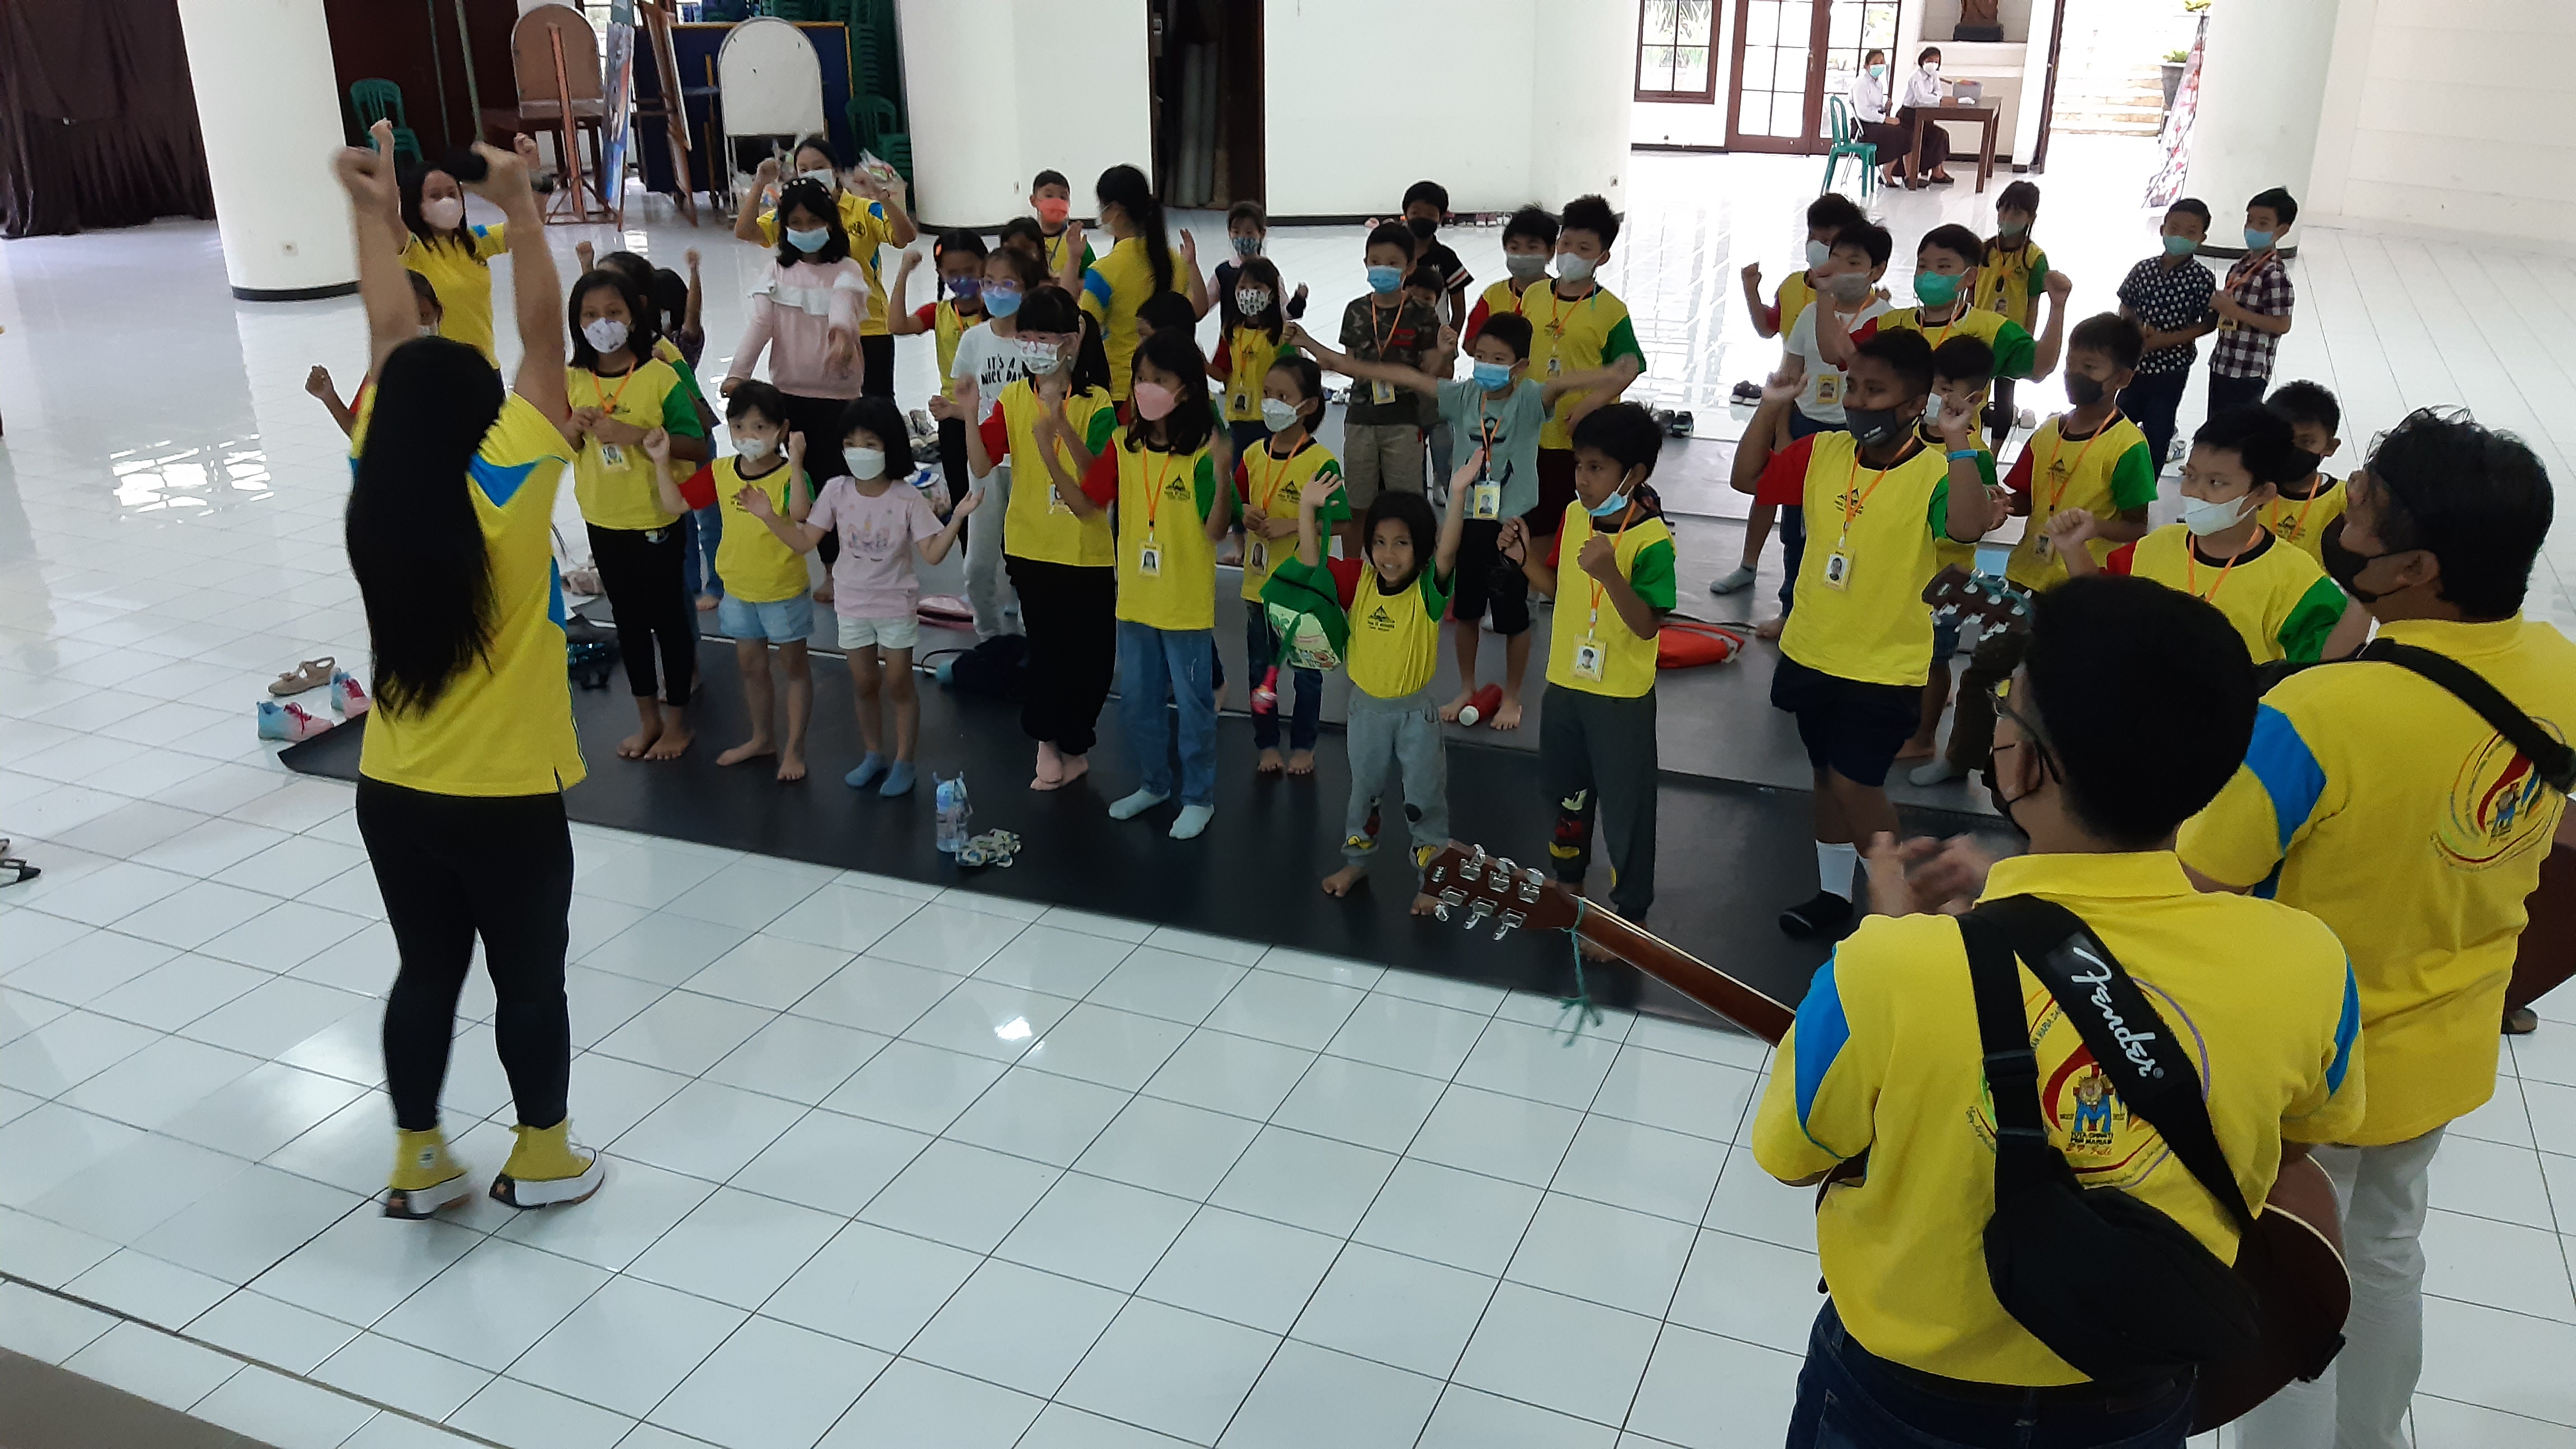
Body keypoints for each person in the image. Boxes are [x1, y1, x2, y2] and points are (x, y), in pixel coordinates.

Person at [1755, 574, 2364, 1449]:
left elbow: (1792, 1151)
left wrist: (1891, 944)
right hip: (2134, 1390)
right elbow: (2298, 1142)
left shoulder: (1890, 967)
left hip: (1905, 1397)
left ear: (2024, 763)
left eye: (2009, 713)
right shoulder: (2311, 961)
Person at [2181, 408, 2575, 1449]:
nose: (2339, 517)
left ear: (2414, 570)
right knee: (2387, 1250)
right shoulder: (2557, 668)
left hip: (2317, 1061)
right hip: (2450, 1035)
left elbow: (2199, 879)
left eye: (2362, 512)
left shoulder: (2321, 714)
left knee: (2288, 1284)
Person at [333, 123, 606, 1216]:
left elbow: (388, 335)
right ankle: (541, 1157)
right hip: (506, 796)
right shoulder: (510, 482)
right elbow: (541, 336)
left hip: (391, 788)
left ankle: (419, 1159)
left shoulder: (377, 473)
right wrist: (524, 210)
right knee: (528, 981)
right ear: (482, 414)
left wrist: (370, 214)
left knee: (426, 972)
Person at [1735, 329, 2004, 940]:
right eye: (1853, 386)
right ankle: (1834, 895)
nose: (1857, 401)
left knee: (1857, 783)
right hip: (1812, 649)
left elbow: (1967, 529)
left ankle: (1899, 904)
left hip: (1883, 666)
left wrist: (1959, 441)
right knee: (1825, 776)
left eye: (1875, 391)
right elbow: (1748, 478)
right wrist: (1771, 405)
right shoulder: (1823, 451)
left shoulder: (1936, 472)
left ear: (1914, 404)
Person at [1293, 312, 1630, 733]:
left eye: (1498, 359)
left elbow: (1563, 384)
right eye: (1481, 356)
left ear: (1520, 366)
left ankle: (1512, 696)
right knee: (1466, 612)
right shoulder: (1463, 396)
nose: (1486, 365)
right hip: (1466, 521)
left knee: (1514, 617)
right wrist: (1318, 350)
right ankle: (1467, 687)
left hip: (1511, 526)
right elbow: (1396, 374)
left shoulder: (1529, 399)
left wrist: (1612, 373)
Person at [1920, 312, 2156, 788]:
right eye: (2071, 363)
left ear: (2122, 379)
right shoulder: (2048, 432)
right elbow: (2025, 495)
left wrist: (2092, 527)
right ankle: (1960, 758)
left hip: (2082, 589)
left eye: (2089, 367)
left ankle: (2052, 782)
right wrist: (2002, 502)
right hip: (2024, 578)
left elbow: (2137, 525)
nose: (2073, 374)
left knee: (2058, 690)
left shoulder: (2128, 446)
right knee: (1984, 673)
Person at [1500, 402, 1677, 938]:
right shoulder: (1576, 516)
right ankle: (1568, 885)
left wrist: (1611, 575)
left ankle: (1631, 915)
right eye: (1579, 466)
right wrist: (1524, 560)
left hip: (1620, 697)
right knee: (1565, 794)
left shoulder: (1653, 541)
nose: (1582, 478)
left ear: (1634, 474)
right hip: (1564, 685)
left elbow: (1646, 626)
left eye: (1596, 468)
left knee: (1626, 808)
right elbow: (1559, 589)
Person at [750, 396, 974, 798]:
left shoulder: (906, 497)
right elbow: (804, 540)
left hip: (895, 604)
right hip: (851, 604)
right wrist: (769, 516)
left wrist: (958, 516)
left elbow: (932, 553)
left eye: (870, 444)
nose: (859, 452)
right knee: (864, 683)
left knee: (899, 683)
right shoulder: (836, 490)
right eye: (850, 443)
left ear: (890, 447)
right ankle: (874, 754)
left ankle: (904, 761)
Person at [1072, 329, 1236, 840]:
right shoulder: (1125, 444)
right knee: (1139, 703)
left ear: (1185, 388)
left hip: (1185, 605)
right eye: (1140, 378)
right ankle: (1154, 783)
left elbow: (1216, 531)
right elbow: (1090, 499)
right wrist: (1054, 437)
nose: (1145, 389)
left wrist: (1224, 474)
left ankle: (1199, 796)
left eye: (1159, 380)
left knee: (1194, 707)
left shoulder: (1203, 452)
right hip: (1135, 601)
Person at [2053, 404, 2365, 666]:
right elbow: (2104, 604)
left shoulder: (2295, 578)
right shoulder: (2152, 548)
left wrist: (2365, 592)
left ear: (2262, 494)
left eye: (2216, 483)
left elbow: (2328, 661)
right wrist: (2073, 548)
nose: (2194, 492)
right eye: (2190, 476)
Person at [963, 285, 1120, 789]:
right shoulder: (1013, 398)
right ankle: (1046, 741)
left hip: (1085, 551)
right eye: (1025, 336)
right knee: (1049, 652)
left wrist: (1060, 430)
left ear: (1071, 341)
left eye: (1044, 337)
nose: (1032, 346)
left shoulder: (1097, 403)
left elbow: (1099, 481)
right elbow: (982, 464)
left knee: (1093, 658)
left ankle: (1074, 743)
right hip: (1030, 547)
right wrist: (968, 413)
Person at [567, 267, 710, 761]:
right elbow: (561, 448)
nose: (601, 323)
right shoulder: (573, 379)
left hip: (656, 517)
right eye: (590, 315)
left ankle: (678, 723)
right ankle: (648, 719)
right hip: (603, 517)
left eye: (613, 312)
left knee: (668, 620)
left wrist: (637, 436)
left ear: (634, 316)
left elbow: (697, 444)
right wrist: (572, 428)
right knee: (626, 621)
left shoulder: (659, 376)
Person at [1318, 460, 1475, 906]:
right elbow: (1312, 562)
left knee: (1424, 798)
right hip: (1364, 711)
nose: (1388, 554)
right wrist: (1310, 510)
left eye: (1402, 544)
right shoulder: (1361, 580)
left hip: (1415, 716)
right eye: (1380, 542)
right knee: (1363, 793)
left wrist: (1458, 493)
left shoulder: (1428, 589)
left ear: (1420, 549)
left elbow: (1448, 552)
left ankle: (1434, 877)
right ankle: (1356, 861)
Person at [1738, 221, 1894, 637]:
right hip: (1806, 427)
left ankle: (1847, 615)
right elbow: (1789, 374)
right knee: (1796, 530)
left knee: (1849, 525)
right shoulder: (1809, 314)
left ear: (1877, 270)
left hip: (1855, 432)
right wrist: (1783, 434)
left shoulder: (1888, 321)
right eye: (1835, 258)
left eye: (1853, 262)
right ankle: (1792, 609)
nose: (1839, 268)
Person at [661, 382, 815, 784]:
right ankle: (762, 738)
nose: (748, 436)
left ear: (782, 430)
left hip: (782, 589)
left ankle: (795, 748)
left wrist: (797, 463)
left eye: (760, 427)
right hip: (739, 590)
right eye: (739, 427)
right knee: (751, 668)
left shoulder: (789, 475)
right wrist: (661, 461)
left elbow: (802, 514)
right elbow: (676, 504)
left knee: (794, 668)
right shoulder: (721, 471)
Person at [723, 178, 868, 603]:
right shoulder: (776, 270)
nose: (805, 230)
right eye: (796, 223)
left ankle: (839, 567)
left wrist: (841, 335)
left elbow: (843, 309)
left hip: (837, 395)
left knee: (834, 482)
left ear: (830, 223)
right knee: (800, 482)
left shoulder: (846, 269)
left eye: (814, 221)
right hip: (788, 393)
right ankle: (809, 556)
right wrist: (737, 374)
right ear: (784, 226)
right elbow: (761, 325)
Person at [1235, 354, 1351, 775]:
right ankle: (1266, 744)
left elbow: (1341, 520)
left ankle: (1304, 745)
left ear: (1309, 405)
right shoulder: (1252, 454)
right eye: (1267, 394)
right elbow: (1236, 500)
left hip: (1302, 591)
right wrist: (1244, 512)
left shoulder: (1320, 462)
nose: (1271, 403)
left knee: (1307, 674)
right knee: (1259, 671)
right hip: (1258, 587)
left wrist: (1294, 524)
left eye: (1283, 397)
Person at [731, 135, 915, 399]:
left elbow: (905, 236)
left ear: (836, 170)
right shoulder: (792, 215)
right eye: (804, 169)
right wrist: (760, 183)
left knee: (877, 407)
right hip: (816, 329)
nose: (812, 174)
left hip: (870, 325)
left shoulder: (864, 210)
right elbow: (745, 232)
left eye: (819, 167)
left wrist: (881, 196)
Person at [935, 244, 1051, 640]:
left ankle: (1032, 633)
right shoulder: (973, 340)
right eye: (989, 283)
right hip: (985, 462)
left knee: (1029, 557)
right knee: (978, 564)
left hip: (1031, 463)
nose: (996, 292)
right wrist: (953, 410)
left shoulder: (1037, 343)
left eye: (1008, 284)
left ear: (1027, 290)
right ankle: (988, 634)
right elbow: (975, 403)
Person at [1898, 336, 2003, 768]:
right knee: (1903, 650)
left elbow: (1981, 515)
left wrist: (1991, 516)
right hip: (1902, 569)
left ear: (1974, 400)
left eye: (1946, 390)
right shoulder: (1907, 435)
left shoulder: (1975, 454)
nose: (1934, 397)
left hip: (1946, 580)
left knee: (1935, 659)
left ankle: (1924, 737)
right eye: (1932, 385)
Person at [1529, 195, 1647, 537]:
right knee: (1534, 516)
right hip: (1531, 429)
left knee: (1575, 518)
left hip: (1579, 437)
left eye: (1584, 248)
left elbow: (1629, 366)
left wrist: (1590, 405)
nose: (1571, 254)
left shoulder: (1611, 310)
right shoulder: (1535, 295)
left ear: (1602, 257)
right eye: (1565, 244)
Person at [1844, 225, 2066, 398]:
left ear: (1970, 277)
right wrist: (1829, 295)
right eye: (1923, 266)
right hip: (1897, 442)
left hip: (1959, 441)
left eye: (1943, 267)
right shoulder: (1891, 324)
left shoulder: (1991, 329)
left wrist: (2057, 307)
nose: (1929, 275)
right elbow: (1839, 355)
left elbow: (2040, 366)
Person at [1336, 220, 1443, 508]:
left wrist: (1445, 352)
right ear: (1366, 264)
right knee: (1358, 501)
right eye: (1376, 262)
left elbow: (1429, 371)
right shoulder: (1355, 310)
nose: (1383, 268)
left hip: (1404, 420)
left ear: (1410, 266)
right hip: (1360, 418)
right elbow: (1350, 363)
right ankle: (1359, 543)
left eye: (1393, 263)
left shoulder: (1422, 313)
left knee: (1406, 503)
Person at [2115, 198, 2218, 471]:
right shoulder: (2144, 269)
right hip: (2134, 365)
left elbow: (2209, 323)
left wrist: (2165, 340)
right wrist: (2134, 330)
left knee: (2158, 433)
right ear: (2162, 230)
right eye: (2174, 228)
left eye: (2190, 232)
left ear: (2202, 238)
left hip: (2171, 369)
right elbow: (2126, 303)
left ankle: (2148, 488)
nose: (2180, 236)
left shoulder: (2202, 279)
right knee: (2119, 425)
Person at [890, 230, 990, 504]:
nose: (963, 279)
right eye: (953, 273)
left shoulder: (999, 310)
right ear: (940, 273)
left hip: (993, 412)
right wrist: (903, 273)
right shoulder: (939, 312)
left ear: (985, 264)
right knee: (960, 489)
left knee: (994, 486)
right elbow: (897, 325)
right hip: (952, 413)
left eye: (970, 270)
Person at [396, 160, 507, 364]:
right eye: (435, 196)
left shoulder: (475, 240)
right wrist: (386, 150)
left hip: (485, 364)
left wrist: (534, 176)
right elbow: (385, 212)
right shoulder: (413, 248)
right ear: (417, 205)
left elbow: (528, 229)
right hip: (437, 369)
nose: (446, 201)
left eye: (452, 194)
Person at [306, 271, 444, 435]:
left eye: (424, 316)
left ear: (438, 314)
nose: (416, 327)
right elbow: (362, 433)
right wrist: (329, 396)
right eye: (405, 320)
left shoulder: (459, 367)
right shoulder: (383, 371)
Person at [2207, 186, 2299, 424]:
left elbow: (2282, 324)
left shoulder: (2275, 274)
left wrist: (2235, 312)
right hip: (2223, 361)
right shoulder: (2242, 265)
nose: (2252, 228)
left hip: (2249, 370)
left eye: (2263, 223)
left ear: (2282, 230)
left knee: (2238, 429)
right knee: (2217, 424)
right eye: (2249, 220)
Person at [1972, 179, 2049, 447]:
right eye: (2004, 209)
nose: (2007, 217)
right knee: (1974, 394)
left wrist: (2026, 338)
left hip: (2010, 337)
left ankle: (1993, 455)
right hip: (1979, 333)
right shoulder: (1984, 251)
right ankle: (1972, 447)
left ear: (2031, 218)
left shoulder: (2034, 259)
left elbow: (2034, 302)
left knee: (2005, 395)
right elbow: (1971, 291)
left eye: (2017, 212)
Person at [1736, 192, 1867, 348]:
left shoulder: (1860, 294)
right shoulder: (1792, 286)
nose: (1815, 246)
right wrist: (1751, 291)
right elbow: (1767, 328)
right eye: (1811, 237)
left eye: (1825, 241)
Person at [1213, 255, 1295, 460]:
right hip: (1238, 419)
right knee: (1240, 472)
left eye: (1257, 287)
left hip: (1271, 420)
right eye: (1242, 288)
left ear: (1272, 294)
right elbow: (1221, 373)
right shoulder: (1230, 332)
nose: (1248, 293)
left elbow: (1293, 378)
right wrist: (1200, 362)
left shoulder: (1282, 335)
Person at [2258, 378, 2347, 561]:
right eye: (2282, 439)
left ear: (2330, 446)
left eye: (2306, 442)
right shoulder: (2251, 489)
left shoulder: (2344, 500)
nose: (2291, 450)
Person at [1462, 204, 1558, 347]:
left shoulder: (1561, 296)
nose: (1522, 254)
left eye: (1532, 248)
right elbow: (1470, 344)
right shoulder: (1493, 295)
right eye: (1514, 247)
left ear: (1551, 252)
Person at [1211, 200, 1308, 322]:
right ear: (1229, 233)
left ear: (1262, 234)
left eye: (1249, 232)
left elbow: (1284, 311)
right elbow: (1202, 305)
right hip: (1232, 335)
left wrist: (1298, 300)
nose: (1242, 237)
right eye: (1236, 232)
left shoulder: (1268, 272)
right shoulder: (1223, 272)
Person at [1400, 180, 1474, 326]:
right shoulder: (1394, 255)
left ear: (1440, 218)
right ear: (1406, 214)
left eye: (1430, 214)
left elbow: (1459, 312)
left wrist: (1450, 339)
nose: (1422, 218)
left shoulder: (1446, 258)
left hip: (1436, 337)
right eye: (1415, 212)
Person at [1848, 49, 1910, 191]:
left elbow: (1875, 108)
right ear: (1866, 65)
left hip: (1874, 122)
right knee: (1897, 134)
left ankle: (1890, 171)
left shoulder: (1879, 84)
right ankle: (1886, 173)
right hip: (1863, 126)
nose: (1879, 65)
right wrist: (1885, 120)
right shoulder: (1860, 84)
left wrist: (1886, 108)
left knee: (1905, 132)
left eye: (1882, 62)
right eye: (1875, 63)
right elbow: (1863, 112)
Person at [1895, 46, 1956, 187]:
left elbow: (1938, 93)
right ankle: (1911, 176)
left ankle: (1937, 172)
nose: (1933, 64)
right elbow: (1922, 98)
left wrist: (1936, 99)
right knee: (1919, 138)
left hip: (1925, 115)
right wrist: (1938, 100)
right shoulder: (1916, 77)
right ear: (1923, 60)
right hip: (1909, 115)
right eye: (1930, 61)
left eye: (1936, 62)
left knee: (1940, 135)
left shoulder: (1934, 76)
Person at [1029, 168, 1094, 280]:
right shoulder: (1027, 240)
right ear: (1033, 201)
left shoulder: (1077, 243)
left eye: (1063, 197)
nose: (1057, 202)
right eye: (1049, 196)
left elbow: (1091, 281)